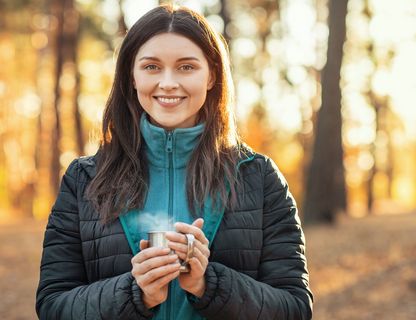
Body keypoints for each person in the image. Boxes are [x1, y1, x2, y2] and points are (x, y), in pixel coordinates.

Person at [36, 5, 313, 320]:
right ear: (132, 76)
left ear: (211, 76)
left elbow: (295, 309)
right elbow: (53, 307)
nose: (168, 83)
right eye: (152, 67)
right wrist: (135, 293)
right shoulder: (84, 178)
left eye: (186, 67)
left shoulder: (258, 177)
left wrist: (207, 284)